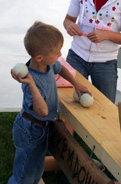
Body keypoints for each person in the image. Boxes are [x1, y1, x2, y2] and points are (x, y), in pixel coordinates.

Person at [8, 21, 90, 184]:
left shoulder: (47, 65)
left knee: (37, 168)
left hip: (40, 129)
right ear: (40, 57)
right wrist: (31, 84)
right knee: (24, 174)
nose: (60, 54)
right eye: (57, 52)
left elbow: (61, 68)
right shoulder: (32, 80)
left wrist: (76, 84)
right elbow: (42, 111)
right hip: (30, 130)